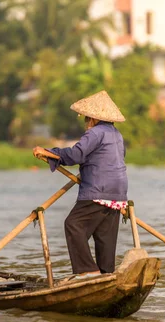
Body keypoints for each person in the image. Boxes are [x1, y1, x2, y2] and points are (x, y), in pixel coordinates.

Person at [33, 90, 128, 278]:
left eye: (86, 119)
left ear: (92, 119)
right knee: (104, 236)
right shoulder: (116, 134)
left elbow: (76, 155)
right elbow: (109, 160)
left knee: (73, 224)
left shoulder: (95, 133)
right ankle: (106, 274)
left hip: (98, 190)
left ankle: (87, 270)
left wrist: (48, 152)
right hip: (118, 194)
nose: (86, 123)